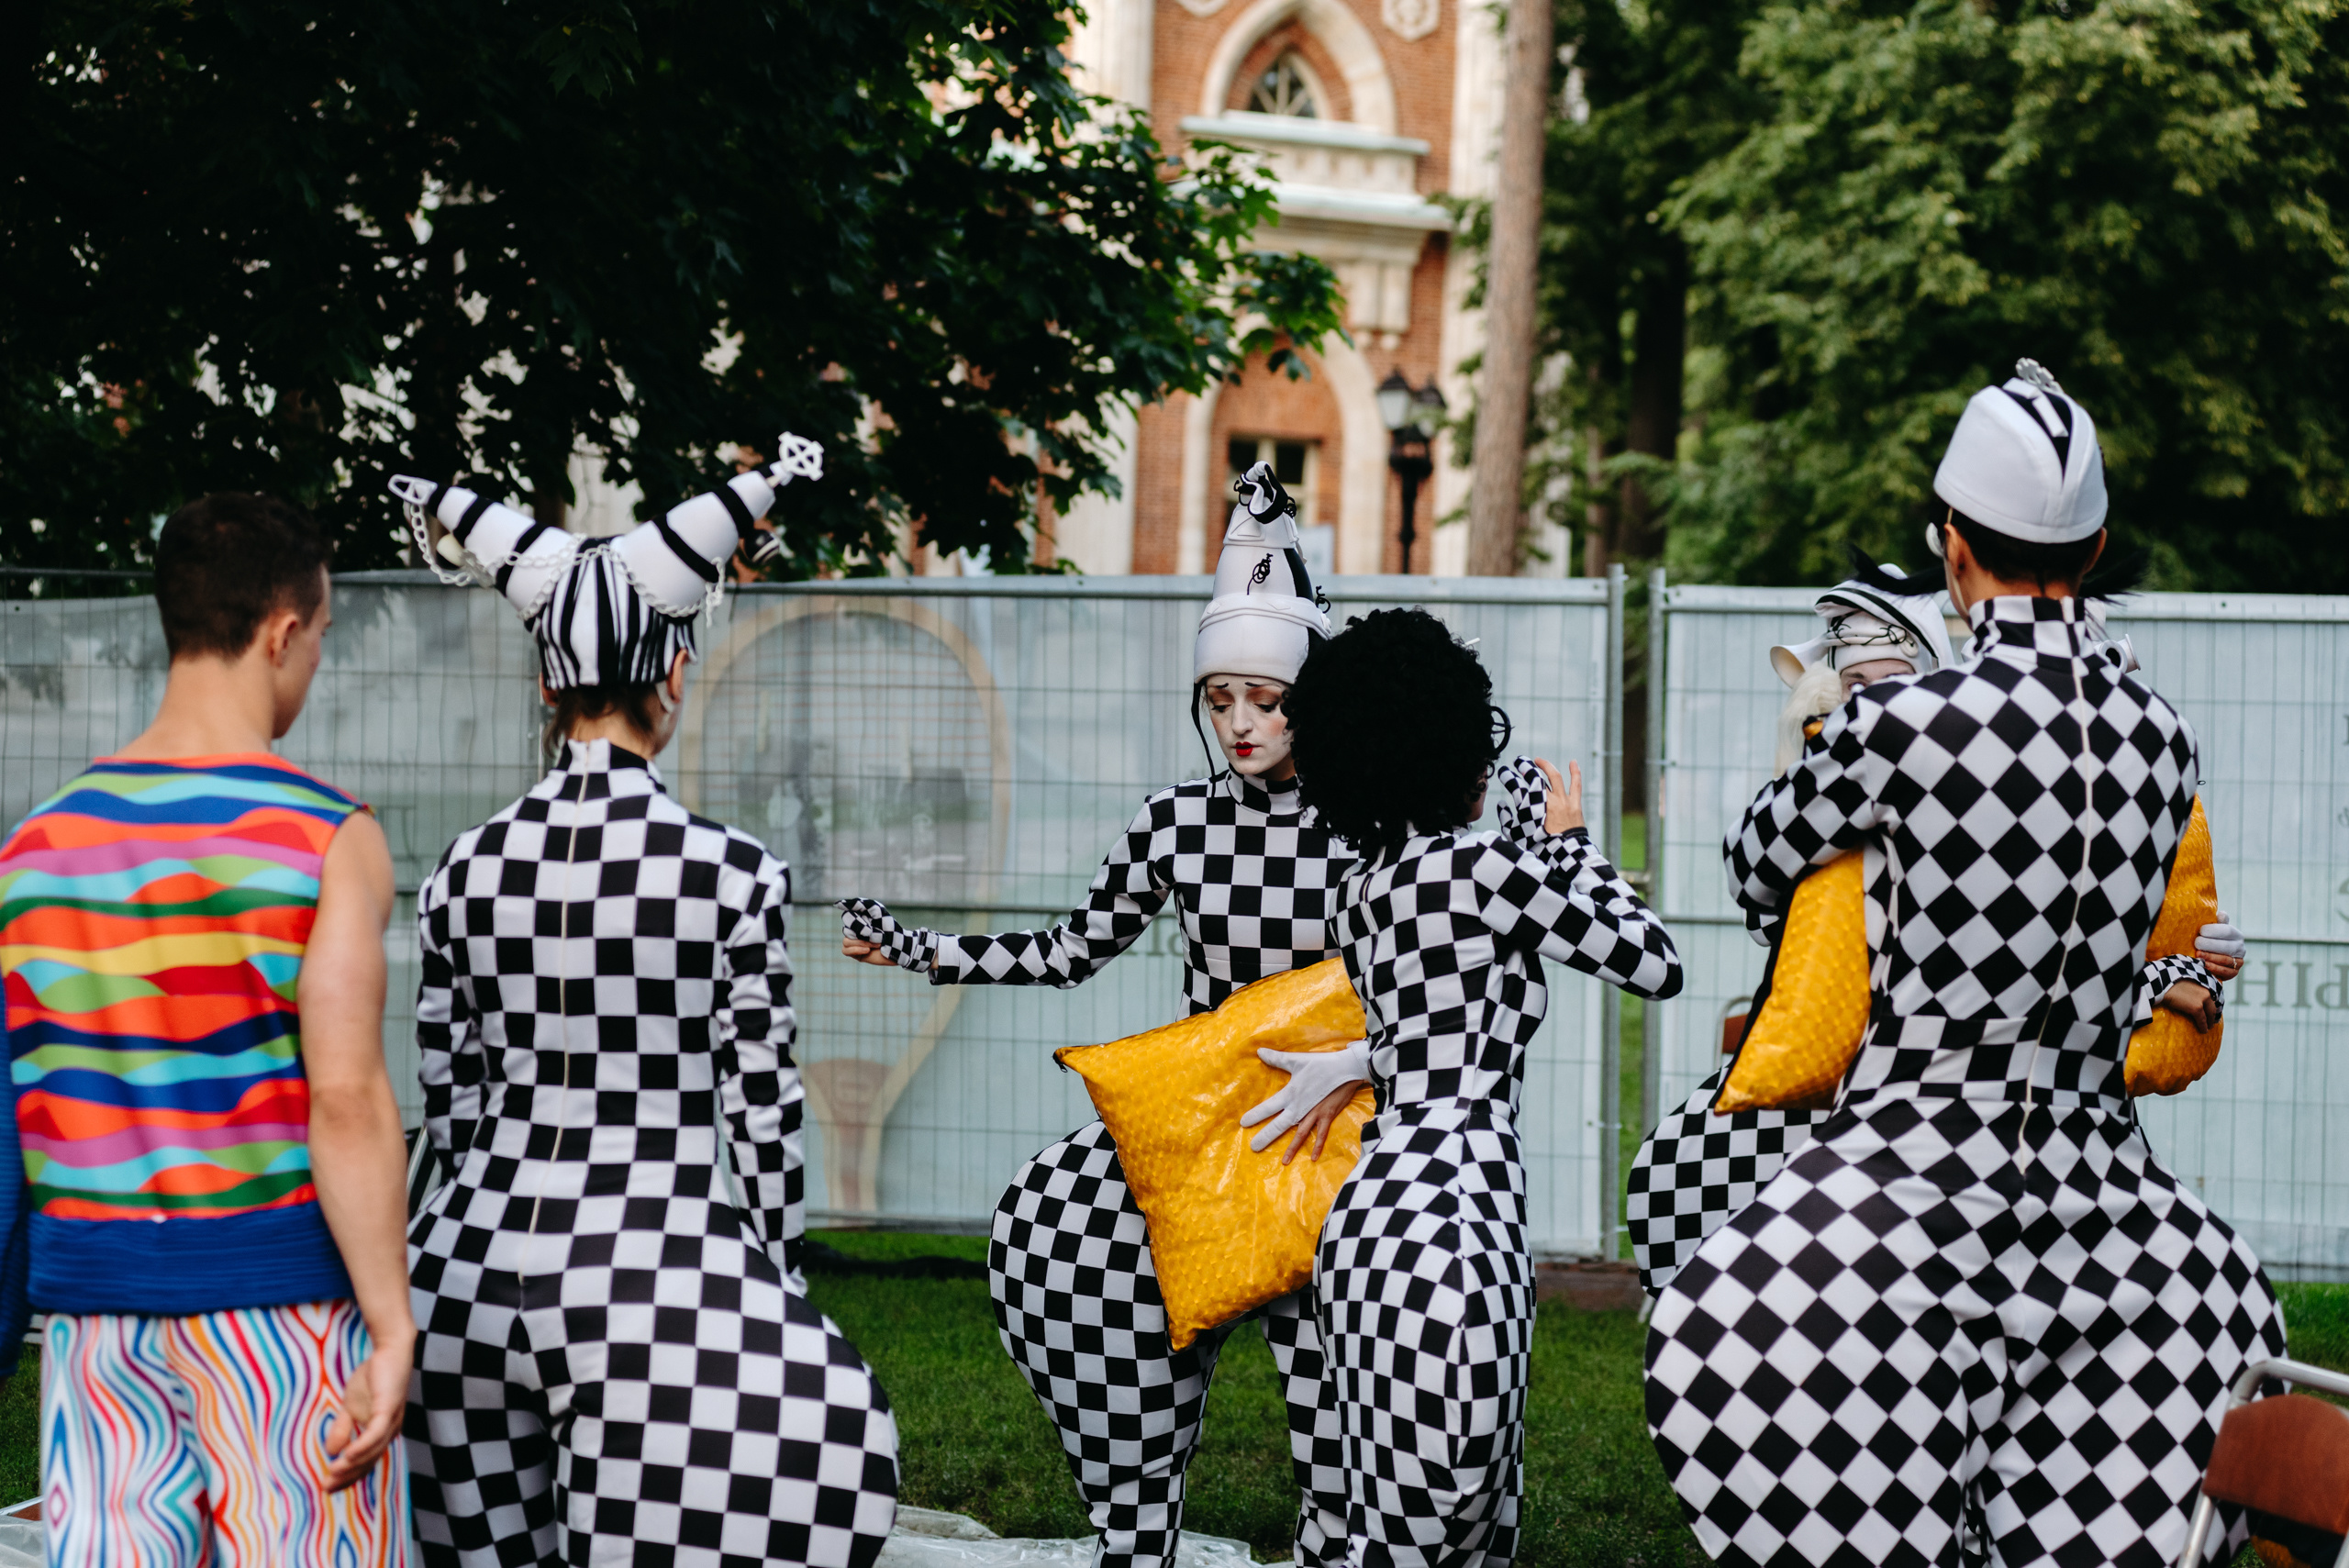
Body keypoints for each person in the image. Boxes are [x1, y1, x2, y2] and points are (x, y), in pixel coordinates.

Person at [1644, 361, 2283, 1567]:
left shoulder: (1904, 724)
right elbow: (2096, 952)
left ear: (1953, 548)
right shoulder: (2161, 733)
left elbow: (1756, 867)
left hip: (1906, 1174)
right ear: (2094, 546)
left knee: (1728, 1346)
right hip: (2106, 1196)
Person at [839, 463, 1364, 1568]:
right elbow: (1073, 947)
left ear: (1311, 694)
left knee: (1336, 1406)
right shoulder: (1174, 821)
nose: (1238, 721)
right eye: (1218, 699)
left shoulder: (1367, 823)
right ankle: (1136, 1536)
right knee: (1060, 1242)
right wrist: (927, 947)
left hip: (1335, 1136)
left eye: (1263, 698)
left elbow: (1436, 963)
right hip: (1202, 1124)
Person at [393, 455, 900, 1568]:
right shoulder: (731, 872)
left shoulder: (462, 867)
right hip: (649, 1272)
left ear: (544, 684)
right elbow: (761, 1109)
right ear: (673, 666)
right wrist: (775, 1284)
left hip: (460, 1272)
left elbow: (445, 1094)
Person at [1622, 563, 2249, 1297]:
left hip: (1983, 1122)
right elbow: (1772, 901)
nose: (1872, 698)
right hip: (1873, 1104)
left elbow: (2027, 955)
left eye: (1890, 678)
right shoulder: (1851, 771)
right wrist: (2155, 983)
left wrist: (2179, 957)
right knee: (1696, 1198)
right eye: (1856, 685)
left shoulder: (2012, 770)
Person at [0, 494, 412, 1564]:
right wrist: (393, 1320)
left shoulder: (36, 848)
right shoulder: (326, 837)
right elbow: (349, 1096)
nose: (314, 665)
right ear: (282, 631)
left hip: (92, 1329)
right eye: (318, 639)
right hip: (282, 1313)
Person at [1281, 606, 1684, 1568]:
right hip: (1459, 1210)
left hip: (1373, 1212)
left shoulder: (1363, 885)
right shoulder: (1489, 865)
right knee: (1463, 1515)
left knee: (1386, 1505)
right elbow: (1652, 960)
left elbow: (1426, 1015)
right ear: (1453, 736)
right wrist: (1572, 840)